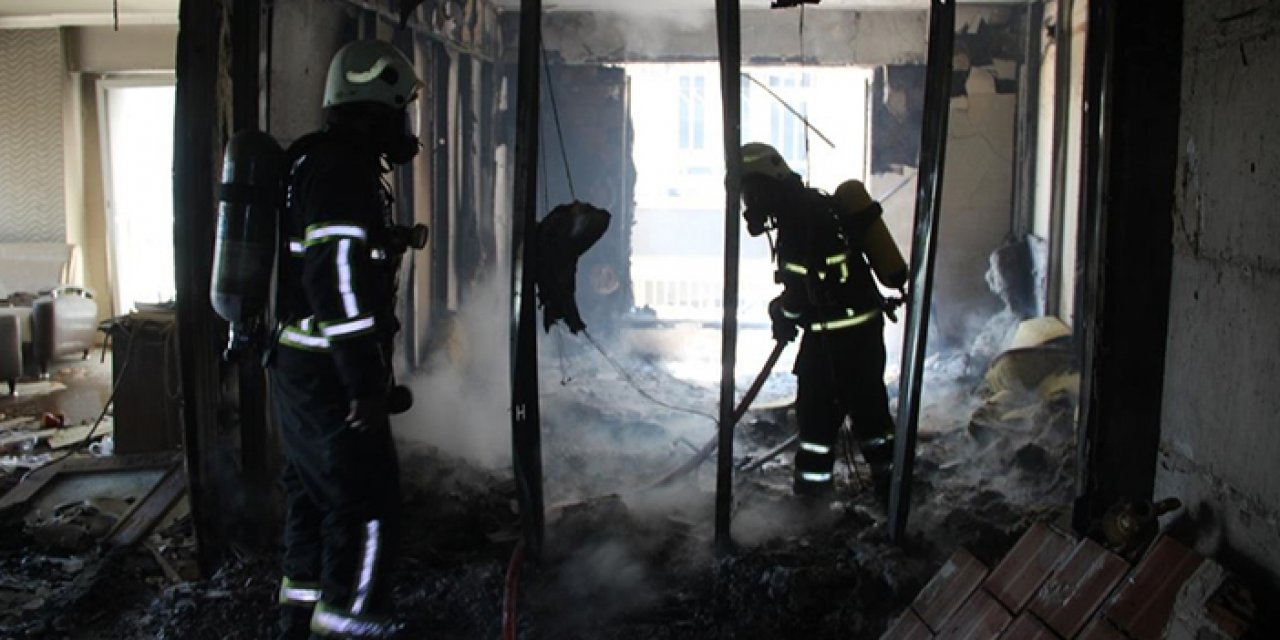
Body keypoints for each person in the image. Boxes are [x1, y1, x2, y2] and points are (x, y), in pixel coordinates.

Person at [270, 39, 422, 639]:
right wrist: (363, 382)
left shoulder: (314, 163)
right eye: (398, 109)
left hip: (300, 366)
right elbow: (335, 279)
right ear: (373, 106)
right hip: (330, 375)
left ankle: (300, 619)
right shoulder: (339, 172)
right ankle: (353, 625)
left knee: (313, 498)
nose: (404, 125)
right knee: (367, 507)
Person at [738, 142, 908, 504]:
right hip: (858, 333)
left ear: (766, 185)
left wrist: (782, 315)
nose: (748, 204)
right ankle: (894, 493)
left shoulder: (799, 222)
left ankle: (813, 503)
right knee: (871, 416)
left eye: (749, 193)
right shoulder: (811, 208)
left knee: (817, 423)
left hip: (836, 340)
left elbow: (801, 296)